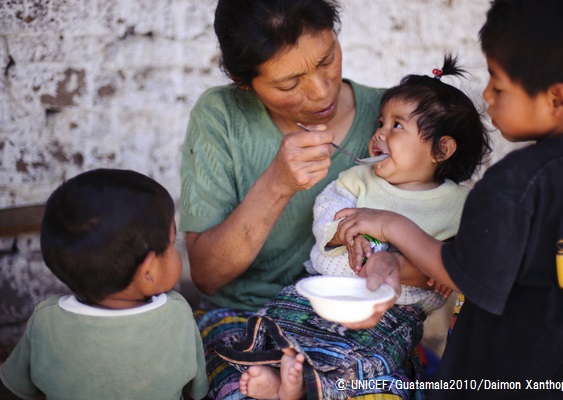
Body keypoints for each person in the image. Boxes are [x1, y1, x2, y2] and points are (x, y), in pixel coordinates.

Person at [335, 0, 563, 398]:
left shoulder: (515, 184)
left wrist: (390, 224)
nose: (488, 95)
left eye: (498, 83)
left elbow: (460, 274)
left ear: (557, 101)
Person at [213, 54, 491, 400]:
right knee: (272, 323)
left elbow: (458, 261)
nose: (379, 133)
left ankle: (301, 388)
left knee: (362, 362)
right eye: (380, 121)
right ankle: (276, 374)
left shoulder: (457, 206)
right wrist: (347, 229)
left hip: (391, 315)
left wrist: (423, 264)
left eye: (397, 125)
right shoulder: (359, 180)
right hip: (319, 291)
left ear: (441, 149)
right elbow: (328, 207)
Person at [179, 0, 386, 397]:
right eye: (289, 84)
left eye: (327, 59)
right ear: (246, 83)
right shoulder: (221, 116)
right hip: (242, 318)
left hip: (356, 323)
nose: (321, 91)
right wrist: (276, 183)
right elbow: (206, 275)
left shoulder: (391, 116)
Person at [0, 169, 209, 400]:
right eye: (172, 242)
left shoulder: (45, 320)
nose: (176, 250)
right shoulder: (177, 313)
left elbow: (14, 387)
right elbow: (197, 390)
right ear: (148, 272)